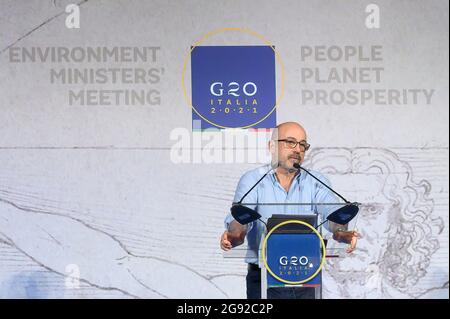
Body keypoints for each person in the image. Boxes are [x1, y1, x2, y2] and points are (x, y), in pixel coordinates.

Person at [220, 122, 359, 299]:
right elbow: (241, 219)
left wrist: (341, 231)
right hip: (263, 277)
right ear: (271, 146)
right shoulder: (253, 180)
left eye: (302, 145)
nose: (298, 149)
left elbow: (332, 213)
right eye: (290, 142)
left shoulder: (316, 181)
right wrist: (234, 235)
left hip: (306, 277)